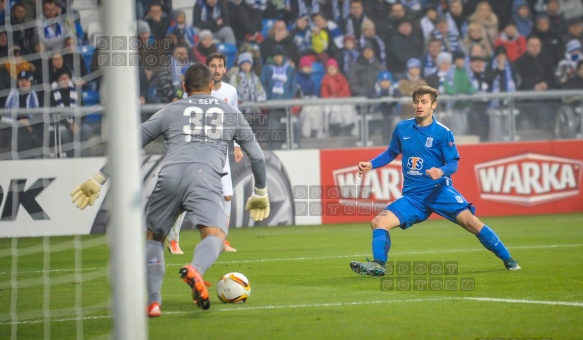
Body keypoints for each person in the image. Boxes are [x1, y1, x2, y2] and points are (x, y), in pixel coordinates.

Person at [70, 63, 270, 317]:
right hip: (204, 178)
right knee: (215, 236)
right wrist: (261, 191)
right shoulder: (230, 112)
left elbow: (131, 144)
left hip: (169, 177)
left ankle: (154, 303)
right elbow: (257, 156)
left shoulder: (170, 110)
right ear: (212, 86)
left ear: (184, 88)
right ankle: (195, 269)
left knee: (154, 239)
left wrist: (99, 178)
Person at [349, 85, 521, 277]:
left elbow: (453, 164)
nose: (419, 106)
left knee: (471, 222)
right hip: (414, 197)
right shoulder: (402, 128)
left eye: (424, 102)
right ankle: (378, 264)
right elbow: (392, 152)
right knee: (378, 222)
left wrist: (441, 171)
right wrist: (371, 164)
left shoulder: (442, 132)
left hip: (439, 191)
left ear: (434, 105)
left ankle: (509, 259)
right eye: (416, 102)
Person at [168, 52, 243, 254]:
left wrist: (237, 145)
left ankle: (222, 238)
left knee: (227, 195)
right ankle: (173, 239)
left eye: (220, 66)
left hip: (219, 150)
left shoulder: (231, 91)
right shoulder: (195, 91)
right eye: (213, 66)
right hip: (196, 151)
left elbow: (234, 118)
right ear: (207, 69)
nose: (217, 70)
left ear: (225, 69)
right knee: (186, 195)